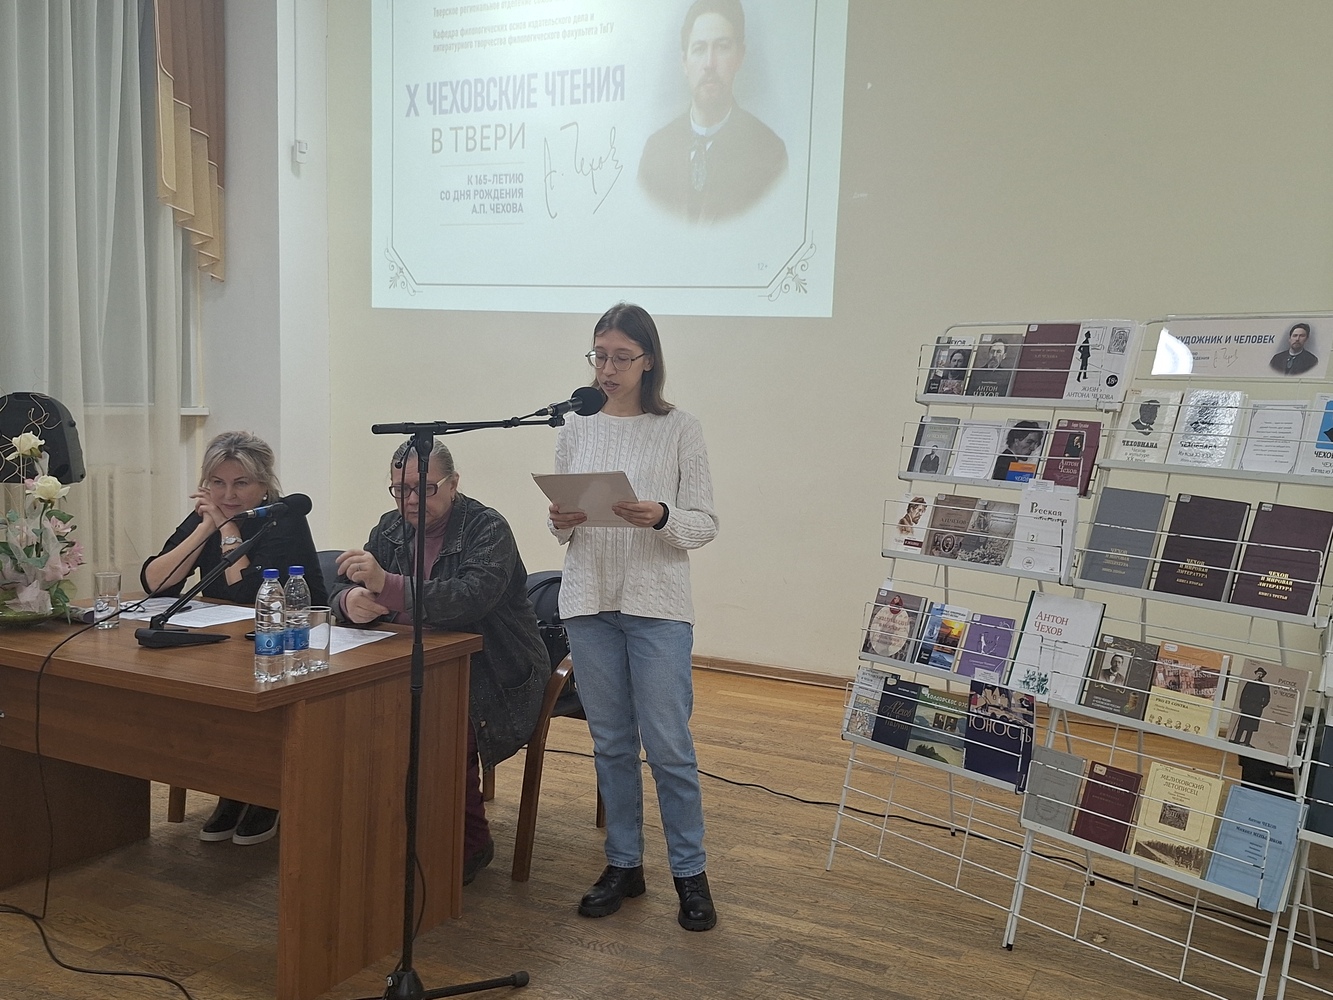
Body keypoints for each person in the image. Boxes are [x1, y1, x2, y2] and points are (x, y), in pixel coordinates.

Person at [548, 303, 721, 931]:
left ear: (648, 361)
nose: (608, 369)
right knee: (611, 743)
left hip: (657, 607)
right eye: (600, 355)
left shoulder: (679, 428)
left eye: (622, 357)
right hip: (589, 602)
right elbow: (562, 529)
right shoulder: (574, 427)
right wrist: (561, 520)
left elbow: (704, 524)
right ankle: (624, 864)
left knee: (669, 746)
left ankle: (690, 874)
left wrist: (663, 516)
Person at [330, 441, 550, 886]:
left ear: (453, 484)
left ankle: (470, 842)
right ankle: (383, 830)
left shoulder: (488, 528)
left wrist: (387, 585)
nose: (411, 501)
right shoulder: (389, 528)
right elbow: (348, 586)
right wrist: (348, 600)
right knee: (350, 716)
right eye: (400, 490)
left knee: (438, 726)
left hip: (493, 672)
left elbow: (469, 599)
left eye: (424, 489)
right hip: (406, 662)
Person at [140, 430, 326, 846]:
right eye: (218, 483)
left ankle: (263, 793)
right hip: (228, 642)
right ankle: (233, 787)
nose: (228, 494)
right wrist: (205, 527)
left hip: (288, 643)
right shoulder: (211, 513)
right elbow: (156, 583)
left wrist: (227, 533)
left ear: (263, 484)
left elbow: (249, 596)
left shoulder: (283, 518)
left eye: (241, 483)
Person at [638, 0, 786, 223]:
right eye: (699, 49)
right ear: (684, 62)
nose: (709, 63)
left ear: (740, 56)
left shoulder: (769, 153)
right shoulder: (656, 150)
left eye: (722, 47)